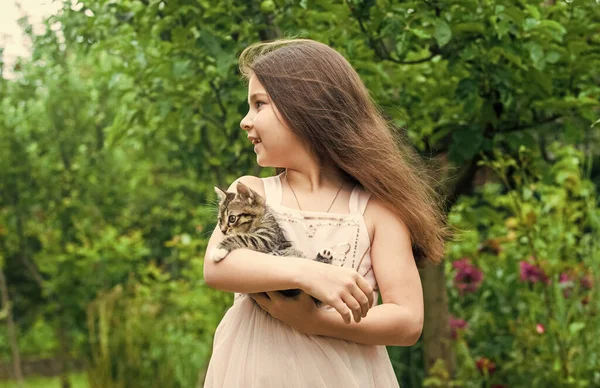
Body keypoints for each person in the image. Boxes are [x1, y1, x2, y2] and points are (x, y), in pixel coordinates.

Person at [202, 38, 447, 388]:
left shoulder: (376, 211)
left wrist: (316, 322)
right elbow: (217, 265)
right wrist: (307, 273)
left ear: (305, 107)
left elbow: (408, 320)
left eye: (259, 104)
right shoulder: (253, 193)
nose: (245, 121)